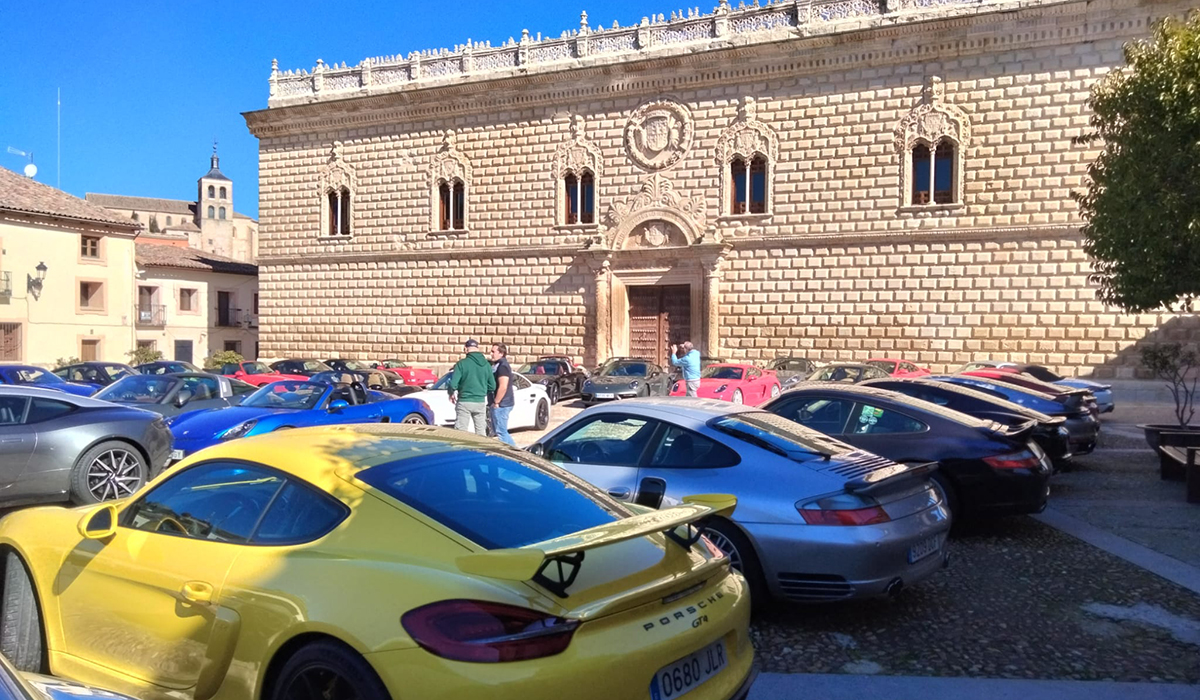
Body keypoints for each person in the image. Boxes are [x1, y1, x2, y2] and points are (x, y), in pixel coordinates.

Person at [448, 339, 495, 436]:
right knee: (481, 432)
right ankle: (482, 450)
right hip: (480, 401)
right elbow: (492, 385)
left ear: (466, 349)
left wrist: (451, 392)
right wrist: (482, 391)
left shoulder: (462, 364)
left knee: (461, 432)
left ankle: (461, 450)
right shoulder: (486, 365)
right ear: (477, 348)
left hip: (464, 400)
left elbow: (453, 384)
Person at [488, 343, 516, 446]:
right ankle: (515, 453)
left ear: (501, 353)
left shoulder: (503, 367)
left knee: (501, 432)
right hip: (502, 403)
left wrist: (496, 402)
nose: (491, 354)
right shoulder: (498, 365)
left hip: (502, 404)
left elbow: (503, 386)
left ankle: (513, 454)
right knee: (501, 431)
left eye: (493, 351)